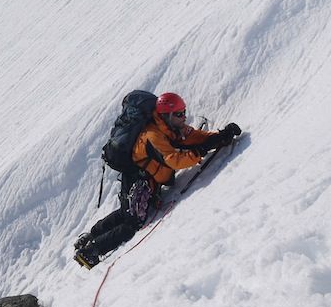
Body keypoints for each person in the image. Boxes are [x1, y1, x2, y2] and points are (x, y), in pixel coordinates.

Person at [73, 92, 241, 269]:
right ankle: (91, 251)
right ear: (166, 115)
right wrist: (199, 152)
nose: (183, 117)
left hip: (146, 179)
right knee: (133, 222)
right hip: (137, 179)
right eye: (178, 114)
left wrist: (219, 137)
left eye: (183, 112)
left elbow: (194, 137)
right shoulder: (152, 136)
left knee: (126, 213)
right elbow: (174, 159)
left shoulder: (171, 127)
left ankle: (91, 236)